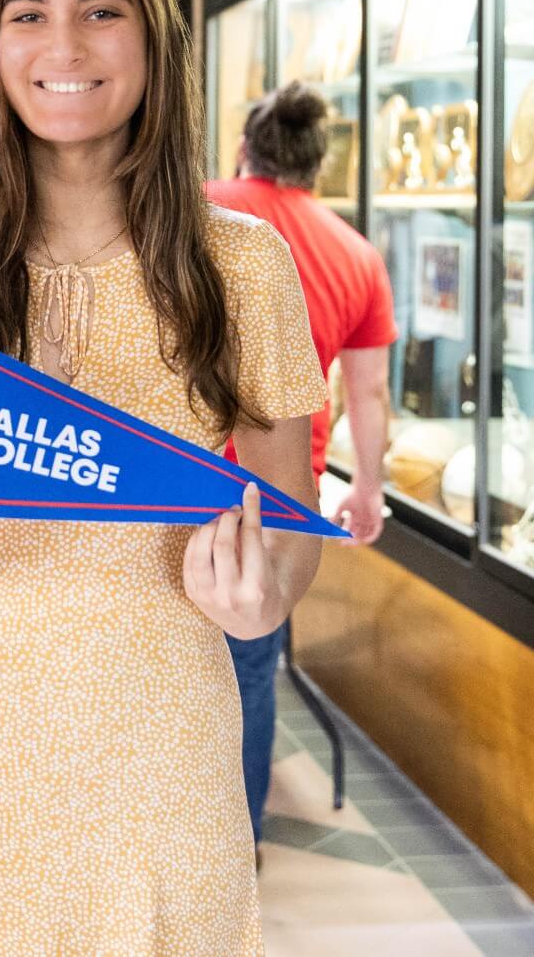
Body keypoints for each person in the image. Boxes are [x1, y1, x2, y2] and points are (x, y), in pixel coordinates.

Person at [0, 0, 328, 954]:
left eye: (101, 11)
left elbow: (291, 517)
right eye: (28, 13)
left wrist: (264, 599)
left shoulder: (244, 264)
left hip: (162, 745)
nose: (63, 44)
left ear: (154, 39)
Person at [206, 80, 398, 853]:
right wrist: (370, 491)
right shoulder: (355, 253)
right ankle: (235, 846)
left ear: (248, 148)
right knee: (249, 677)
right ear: (319, 165)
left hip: (168, 476)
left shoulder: (202, 207)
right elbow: (369, 390)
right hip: (277, 493)